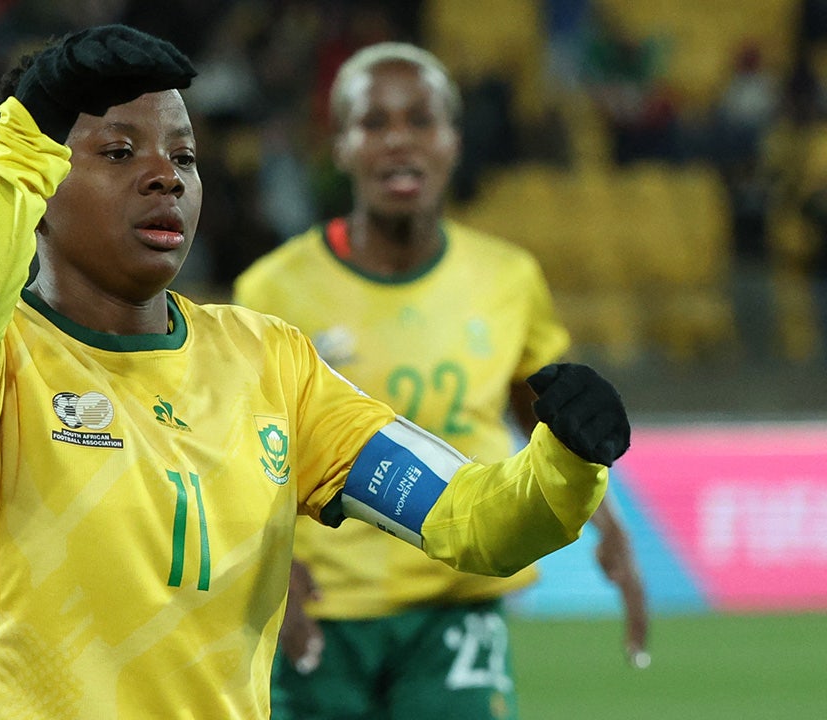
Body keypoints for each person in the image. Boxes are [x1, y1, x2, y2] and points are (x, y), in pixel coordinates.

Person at [0, 24, 631, 719]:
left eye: (183, 156)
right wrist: (20, 140)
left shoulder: (270, 362)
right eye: (118, 152)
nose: (164, 177)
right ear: (38, 184)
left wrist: (564, 467)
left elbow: (465, 518)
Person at [233, 42, 649, 720]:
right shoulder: (274, 287)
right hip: (322, 608)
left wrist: (611, 526)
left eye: (422, 120)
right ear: (337, 145)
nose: (400, 141)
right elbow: (242, 453)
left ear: (454, 140)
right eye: (373, 123)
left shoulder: (508, 279)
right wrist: (269, 572)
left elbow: (545, 417)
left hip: (458, 602)